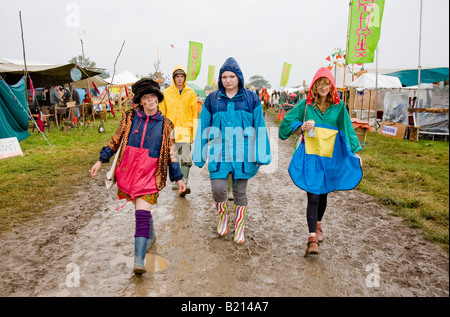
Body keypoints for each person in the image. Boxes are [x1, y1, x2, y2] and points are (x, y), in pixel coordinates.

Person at [90, 78, 186, 275]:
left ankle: (139, 260)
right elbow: (116, 140)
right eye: (146, 97)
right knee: (140, 208)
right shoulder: (129, 117)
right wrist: (100, 161)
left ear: (158, 98)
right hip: (128, 172)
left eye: (153, 97)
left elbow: (171, 153)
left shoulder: (167, 125)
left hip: (150, 174)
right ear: (140, 100)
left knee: (141, 214)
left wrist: (179, 178)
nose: (151, 100)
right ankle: (150, 237)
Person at [279, 67, 362, 257]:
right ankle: (312, 239)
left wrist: (356, 152)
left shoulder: (339, 107)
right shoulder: (305, 106)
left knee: (323, 195)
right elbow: (284, 126)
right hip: (311, 157)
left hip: (330, 158)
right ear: (314, 86)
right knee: (313, 196)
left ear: (332, 86)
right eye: (320, 84)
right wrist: (301, 127)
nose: (323, 87)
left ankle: (317, 225)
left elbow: (348, 129)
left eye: (327, 84)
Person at [193, 57, 271, 244]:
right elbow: (204, 125)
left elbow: (259, 125)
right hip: (219, 150)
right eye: (224, 77)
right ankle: (222, 218)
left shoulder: (251, 98)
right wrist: (199, 153)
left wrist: (261, 153)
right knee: (218, 189)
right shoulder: (213, 99)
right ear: (220, 79)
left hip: (243, 152)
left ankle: (239, 227)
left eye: (232, 76)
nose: (228, 80)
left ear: (239, 78)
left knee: (239, 191)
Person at [159, 65, 198, 197]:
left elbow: (194, 114)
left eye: (182, 76)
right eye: (177, 76)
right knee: (172, 156)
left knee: (186, 158)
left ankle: (184, 184)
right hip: (170, 130)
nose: (180, 79)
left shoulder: (190, 93)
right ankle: (177, 181)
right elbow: (162, 113)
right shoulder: (166, 93)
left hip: (186, 130)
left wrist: (194, 133)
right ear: (174, 78)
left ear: (185, 78)